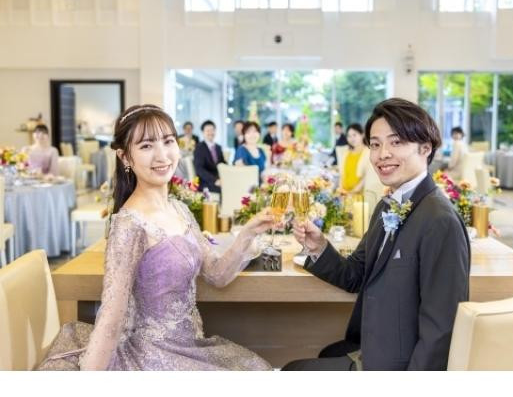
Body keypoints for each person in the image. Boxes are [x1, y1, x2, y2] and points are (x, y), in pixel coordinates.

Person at [38, 104, 275, 370]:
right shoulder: (129, 224)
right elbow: (111, 318)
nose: (162, 155)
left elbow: (216, 274)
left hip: (188, 347)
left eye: (168, 141)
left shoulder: (179, 209)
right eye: (146, 146)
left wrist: (249, 231)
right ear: (125, 157)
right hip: (152, 357)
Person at [284, 98, 471, 371]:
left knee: (293, 371)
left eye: (396, 142)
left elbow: (442, 330)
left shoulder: (440, 221)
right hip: (372, 345)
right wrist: (318, 245)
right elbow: (356, 275)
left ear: (425, 148)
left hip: (396, 365)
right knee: (317, 356)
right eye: (375, 144)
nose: (382, 154)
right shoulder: (388, 205)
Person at [193, 120, 226, 193]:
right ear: (203, 133)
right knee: (226, 188)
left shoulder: (218, 147)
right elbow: (199, 169)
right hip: (205, 181)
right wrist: (214, 180)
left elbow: (222, 163)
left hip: (219, 178)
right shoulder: (199, 147)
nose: (211, 132)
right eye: (208, 131)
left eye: (212, 130)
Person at [340, 123, 370, 194]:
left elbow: (366, 177)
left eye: (354, 135)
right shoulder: (346, 153)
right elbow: (342, 175)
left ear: (362, 135)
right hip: (343, 193)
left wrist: (352, 193)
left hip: (357, 194)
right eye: (349, 136)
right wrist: (341, 190)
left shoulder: (368, 153)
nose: (351, 138)